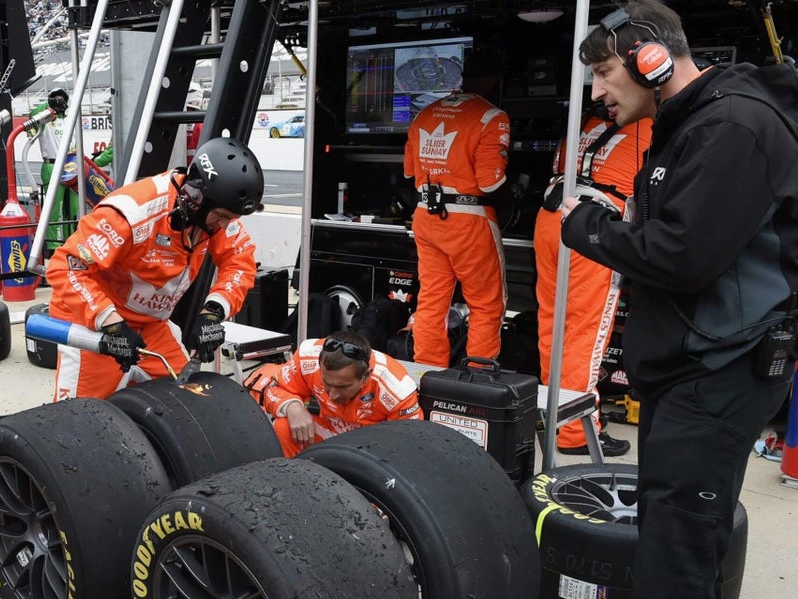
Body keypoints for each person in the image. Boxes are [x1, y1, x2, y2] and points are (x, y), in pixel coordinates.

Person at [537, 0, 798, 599]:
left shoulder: (730, 129)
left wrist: (583, 224)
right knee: (693, 523)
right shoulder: (697, 120)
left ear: (651, 57)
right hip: (710, 361)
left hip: (719, 368)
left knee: (674, 544)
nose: (600, 93)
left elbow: (680, 255)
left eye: (606, 73)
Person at [46, 135, 263, 400]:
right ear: (195, 197)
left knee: (190, 401)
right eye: (222, 217)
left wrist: (214, 311)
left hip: (151, 326)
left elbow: (240, 260)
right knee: (79, 420)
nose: (224, 226)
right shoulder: (133, 212)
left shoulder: (214, 216)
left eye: (231, 219)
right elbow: (67, 268)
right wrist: (111, 323)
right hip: (94, 323)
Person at [534, 107, 651, 458]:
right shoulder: (651, 124)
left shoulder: (583, 119)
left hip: (551, 216)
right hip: (595, 224)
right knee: (585, 331)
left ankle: (552, 416)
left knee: (551, 324)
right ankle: (576, 434)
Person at [403, 80, 511, 368]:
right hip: (468, 221)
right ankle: (478, 378)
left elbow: (410, 171)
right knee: (486, 305)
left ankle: (425, 373)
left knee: (431, 301)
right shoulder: (492, 116)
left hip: (426, 216)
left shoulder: (423, 114)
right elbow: (491, 182)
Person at [243, 329, 423, 457]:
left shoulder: (396, 390)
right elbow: (272, 388)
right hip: (329, 431)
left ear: (366, 375)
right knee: (284, 426)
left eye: (343, 386)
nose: (333, 395)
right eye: (327, 383)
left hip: (373, 449)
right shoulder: (308, 358)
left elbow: (405, 446)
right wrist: (293, 407)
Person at [32, 88, 76, 252]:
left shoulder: (70, 120)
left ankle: (72, 242)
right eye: (56, 98)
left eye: (62, 98)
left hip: (72, 166)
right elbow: (32, 114)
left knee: (73, 209)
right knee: (54, 208)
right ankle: (54, 247)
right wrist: (49, 105)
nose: (60, 101)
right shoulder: (45, 118)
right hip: (51, 165)